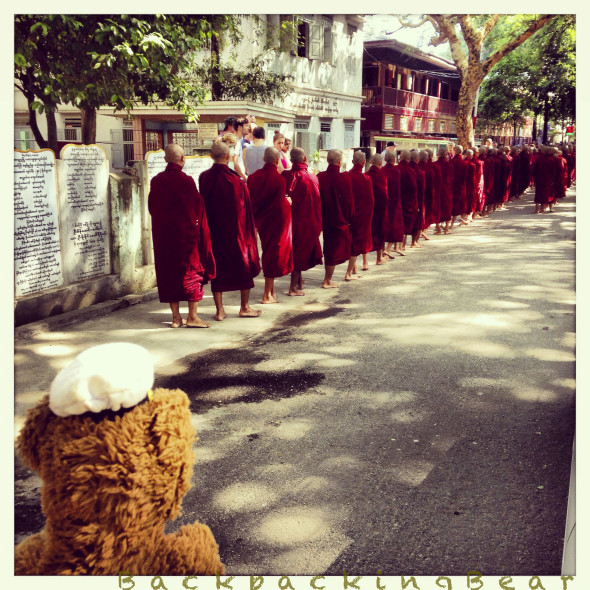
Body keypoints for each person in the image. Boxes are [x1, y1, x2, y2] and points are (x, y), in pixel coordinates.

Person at [148, 143, 216, 328]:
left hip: (164, 237)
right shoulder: (186, 181)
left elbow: (152, 207)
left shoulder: (156, 181)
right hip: (185, 238)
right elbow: (194, 209)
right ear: (183, 159)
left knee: (169, 273)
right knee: (191, 273)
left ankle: (176, 317)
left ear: (165, 160)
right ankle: (192, 317)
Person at [198, 141, 262, 321]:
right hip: (236, 234)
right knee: (243, 267)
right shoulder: (236, 181)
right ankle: (244, 307)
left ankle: (219, 311)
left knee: (217, 270)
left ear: (212, 156)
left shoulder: (204, 177)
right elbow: (246, 210)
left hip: (214, 232)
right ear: (227, 157)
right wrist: (250, 234)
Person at [247, 147, 294, 303]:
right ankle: (267, 294)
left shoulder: (253, 178)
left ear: (263, 160)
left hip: (261, 220)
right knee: (273, 253)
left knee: (268, 250)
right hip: (276, 221)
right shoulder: (279, 180)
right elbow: (278, 203)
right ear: (277, 161)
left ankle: (271, 290)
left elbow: (252, 201)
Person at [282, 147, 323, 296]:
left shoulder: (285, 175)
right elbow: (316, 202)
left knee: (294, 251)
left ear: (291, 160)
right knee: (300, 252)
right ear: (305, 159)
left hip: (288, 221)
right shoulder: (311, 178)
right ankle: (292, 288)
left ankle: (298, 281)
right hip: (306, 221)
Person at [317, 149, 355, 288]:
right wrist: (349, 217)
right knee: (333, 249)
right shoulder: (343, 178)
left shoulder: (320, 177)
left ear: (328, 160)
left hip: (323, 218)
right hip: (338, 219)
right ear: (340, 162)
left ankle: (325, 279)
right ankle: (327, 280)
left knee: (328, 247)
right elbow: (348, 201)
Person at [347, 151, 375, 273]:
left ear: (352, 161)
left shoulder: (346, 176)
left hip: (348, 214)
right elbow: (370, 200)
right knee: (360, 240)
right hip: (362, 214)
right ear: (364, 163)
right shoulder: (366, 179)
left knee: (351, 239)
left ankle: (355, 266)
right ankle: (354, 267)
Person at [381, 148, 404, 255]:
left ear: (385, 159)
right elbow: (399, 187)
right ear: (394, 160)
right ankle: (388, 248)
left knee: (382, 225)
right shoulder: (396, 172)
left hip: (383, 202)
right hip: (394, 202)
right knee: (395, 226)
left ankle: (382, 249)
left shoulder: (381, 171)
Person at [367, 153, 388, 265]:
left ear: (370, 162)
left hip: (367, 209)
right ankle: (379, 258)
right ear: (380, 163)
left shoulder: (366, 175)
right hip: (379, 209)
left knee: (365, 231)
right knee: (380, 230)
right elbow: (384, 196)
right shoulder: (382, 176)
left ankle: (364, 261)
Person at [397, 150, 419, 248]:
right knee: (405, 222)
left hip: (396, 200)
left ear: (400, 158)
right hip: (408, 201)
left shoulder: (396, 169)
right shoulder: (411, 171)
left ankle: (401, 244)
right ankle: (404, 244)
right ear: (408, 159)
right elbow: (413, 189)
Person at [435, 147, 454, 234]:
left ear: (438, 154)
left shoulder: (434, 165)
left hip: (437, 189)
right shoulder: (449, 165)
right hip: (447, 189)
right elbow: (452, 178)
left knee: (437, 207)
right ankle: (446, 228)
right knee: (447, 207)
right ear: (446, 154)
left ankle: (438, 228)